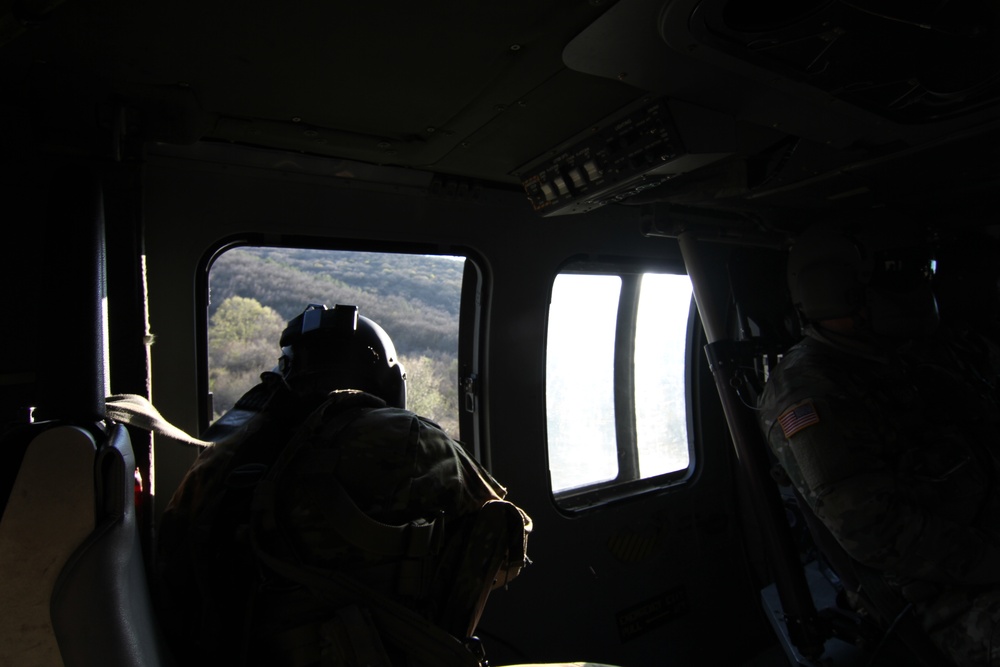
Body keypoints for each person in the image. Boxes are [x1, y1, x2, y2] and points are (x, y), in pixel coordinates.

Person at [154, 303, 532, 667]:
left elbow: (173, 568)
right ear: (387, 381)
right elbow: (509, 542)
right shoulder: (408, 438)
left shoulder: (217, 456)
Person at [757, 221, 1000, 667]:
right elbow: (877, 532)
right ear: (837, 290)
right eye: (898, 277)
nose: (915, 291)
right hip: (945, 593)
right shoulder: (811, 391)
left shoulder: (915, 354)